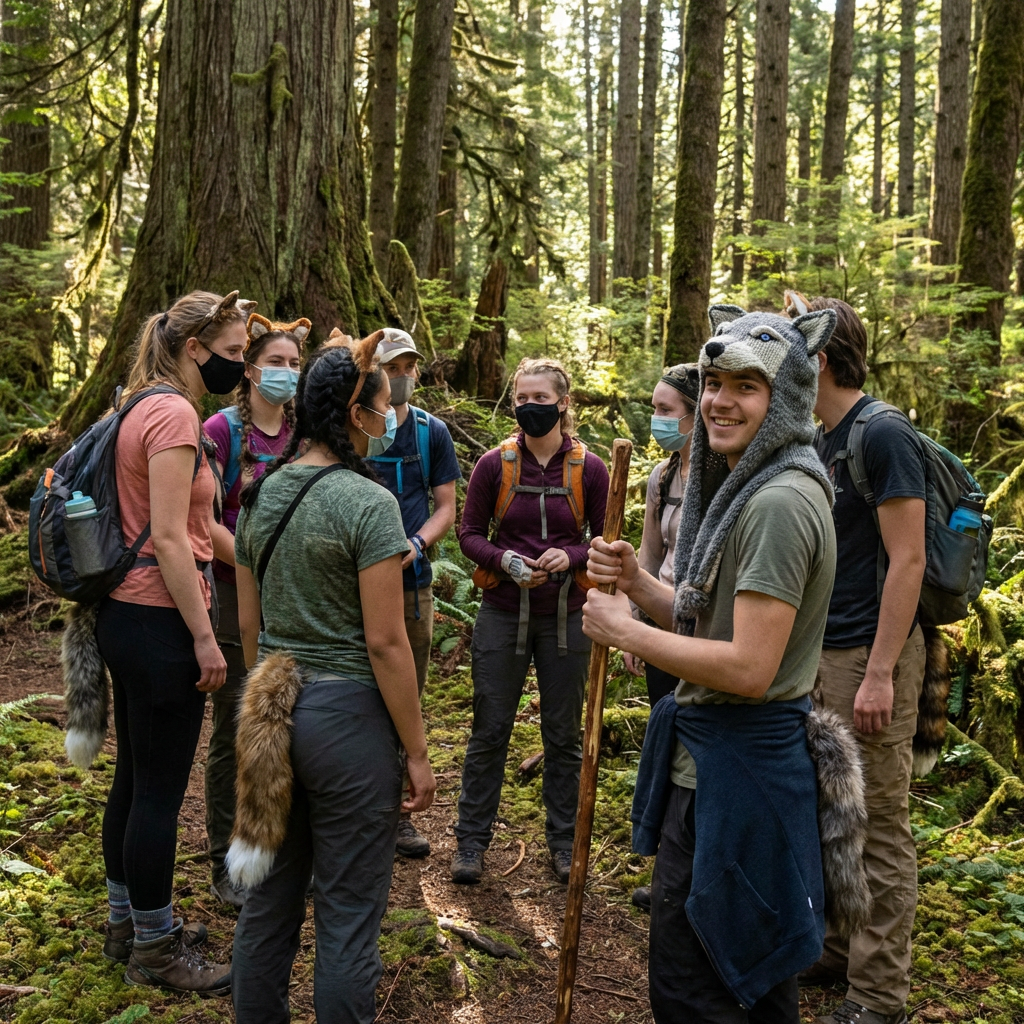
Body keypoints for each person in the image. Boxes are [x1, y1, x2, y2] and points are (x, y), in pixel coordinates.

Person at [585, 305, 844, 1023]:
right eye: (714, 381)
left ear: (787, 396)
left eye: (747, 387)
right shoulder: (750, 486)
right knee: (739, 989)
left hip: (739, 782)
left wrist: (624, 633)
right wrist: (639, 588)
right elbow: (716, 623)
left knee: (700, 991)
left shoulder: (779, 503)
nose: (720, 401)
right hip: (719, 771)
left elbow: (749, 667)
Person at [229, 336, 437, 1024]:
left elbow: (252, 631)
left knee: (270, 901)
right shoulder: (367, 504)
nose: (390, 420)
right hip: (347, 724)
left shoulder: (260, 496)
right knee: (348, 915)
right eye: (382, 407)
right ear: (354, 412)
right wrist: (415, 750)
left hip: (271, 714)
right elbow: (385, 641)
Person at [96, 290, 250, 994]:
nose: (242, 367)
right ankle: (157, 949)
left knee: (134, 777)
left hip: (126, 616)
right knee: (159, 791)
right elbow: (166, 537)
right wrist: (204, 639)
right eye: (235, 354)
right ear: (195, 348)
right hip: (160, 620)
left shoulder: (138, 402)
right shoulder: (176, 412)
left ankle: (126, 922)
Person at [790, 294, 927, 1024]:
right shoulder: (822, 438)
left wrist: (878, 671)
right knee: (832, 811)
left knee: (878, 821)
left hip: (871, 655)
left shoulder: (883, 434)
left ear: (817, 357)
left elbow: (908, 561)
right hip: (823, 654)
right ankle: (838, 951)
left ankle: (878, 995)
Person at [453, 357, 609, 885]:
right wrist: (504, 561)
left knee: (562, 735)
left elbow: (603, 539)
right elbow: (469, 532)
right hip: (502, 614)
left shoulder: (590, 468)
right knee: (490, 729)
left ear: (564, 403)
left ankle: (564, 845)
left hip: (567, 617)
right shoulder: (494, 464)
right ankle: (471, 844)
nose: (530, 407)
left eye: (541, 399)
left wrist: (574, 556)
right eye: (522, 398)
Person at [201, 313, 306, 907]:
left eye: (294, 364)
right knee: (234, 726)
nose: (285, 373)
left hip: (295, 596)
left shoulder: (305, 429)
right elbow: (204, 517)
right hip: (234, 592)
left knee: (291, 719)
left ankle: (283, 848)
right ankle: (225, 855)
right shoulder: (220, 431)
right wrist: (250, 562)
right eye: (275, 362)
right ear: (249, 369)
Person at [364, 328, 461, 859]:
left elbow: (445, 505)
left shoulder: (431, 433)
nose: (401, 377)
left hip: (411, 583)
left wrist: (419, 543)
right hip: (351, 587)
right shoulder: (356, 427)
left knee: (408, 695)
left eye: (408, 367)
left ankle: (399, 813)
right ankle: (360, 806)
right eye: (391, 367)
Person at [624, 362, 699, 914]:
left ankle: (697, 872)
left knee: (699, 751)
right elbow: (650, 554)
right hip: (659, 618)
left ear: (695, 417)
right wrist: (633, 620)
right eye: (654, 409)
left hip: (701, 630)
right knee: (666, 740)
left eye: (665, 411)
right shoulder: (662, 477)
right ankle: (670, 870)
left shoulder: (724, 479)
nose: (656, 420)